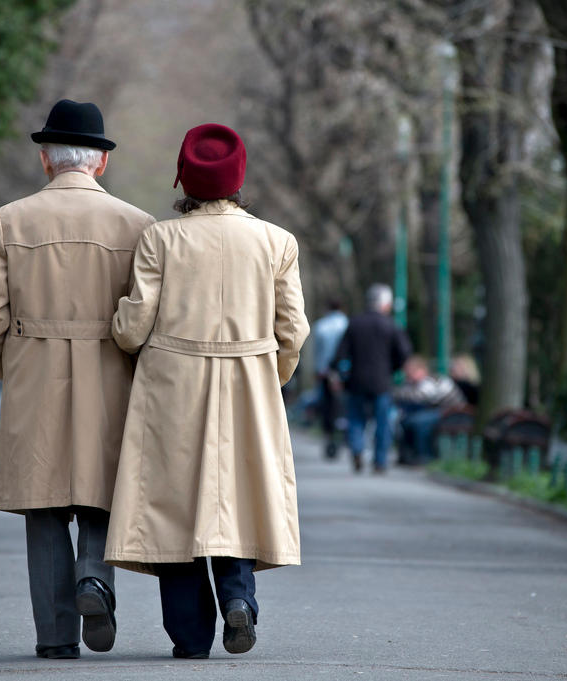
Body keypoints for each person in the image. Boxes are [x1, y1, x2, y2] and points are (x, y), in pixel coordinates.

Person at [105, 124, 309, 659]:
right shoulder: (277, 241)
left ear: (185, 180)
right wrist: (271, 376)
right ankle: (239, 600)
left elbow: (132, 326)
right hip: (249, 381)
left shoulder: (160, 239)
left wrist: (126, 335)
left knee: (173, 505)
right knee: (236, 497)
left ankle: (191, 635)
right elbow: (294, 329)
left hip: (173, 383)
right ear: (240, 179)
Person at [0, 99, 155, 659]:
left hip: (34, 367)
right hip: (110, 371)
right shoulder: (137, 224)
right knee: (101, 492)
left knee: (44, 505)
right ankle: (94, 577)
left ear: (47, 161)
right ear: (99, 163)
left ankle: (54, 636)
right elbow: (145, 313)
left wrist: (13, 364)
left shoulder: (9, 219)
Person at [330, 283, 412, 473]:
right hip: (382, 381)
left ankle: (357, 450)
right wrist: (394, 367)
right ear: (385, 304)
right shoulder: (390, 325)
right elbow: (404, 351)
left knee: (356, 419)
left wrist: (338, 373)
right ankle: (380, 461)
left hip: (356, 381)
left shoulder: (355, 323)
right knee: (382, 422)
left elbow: (340, 354)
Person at [393, 356, 466, 464]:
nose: (408, 375)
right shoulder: (416, 383)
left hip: (452, 413)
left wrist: (397, 393)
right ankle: (408, 455)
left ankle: (425, 456)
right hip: (440, 411)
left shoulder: (432, 381)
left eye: (412, 372)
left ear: (422, 370)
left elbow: (420, 396)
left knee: (419, 422)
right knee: (405, 420)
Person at [312, 300, 348, 459]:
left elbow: (317, 351)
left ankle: (329, 436)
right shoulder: (347, 324)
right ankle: (342, 433)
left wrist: (318, 370)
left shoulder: (321, 326)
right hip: (344, 371)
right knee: (342, 405)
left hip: (325, 372)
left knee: (327, 406)